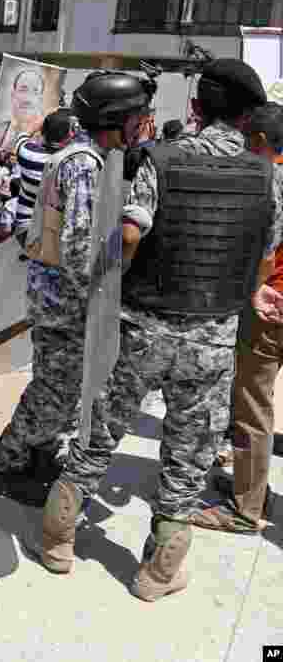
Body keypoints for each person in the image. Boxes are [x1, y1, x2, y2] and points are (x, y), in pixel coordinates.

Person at [37, 59, 283, 602]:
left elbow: (129, 233)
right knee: (187, 456)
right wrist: (248, 292)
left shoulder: (160, 160)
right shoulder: (268, 175)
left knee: (99, 433)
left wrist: (115, 281)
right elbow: (263, 257)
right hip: (214, 338)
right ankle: (158, 574)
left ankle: (57, 540)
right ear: (248, 119)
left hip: (142, 328)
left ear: (195, 108)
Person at [0, 76, 150, 505]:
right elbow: (80, 247)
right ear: (114, 120)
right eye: (136, 119)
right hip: (66, 302)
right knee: (54, 391)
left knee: (60, 388)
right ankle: (7, 462)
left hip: (62, 297)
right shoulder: (83, 164)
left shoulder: (92, 158)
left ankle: (38, 455)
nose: (142, 127)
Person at [189, 101, 283, 533]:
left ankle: (247, 508)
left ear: (259, 141)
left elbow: (261, 250)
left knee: (251, 408)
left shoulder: (268, 180)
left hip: (270, 309)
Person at [0, 68, 47, 151]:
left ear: (40, 99)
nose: (28, 99)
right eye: (23, 90)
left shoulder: (45, 138)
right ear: (13, 94)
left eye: (35, 92)